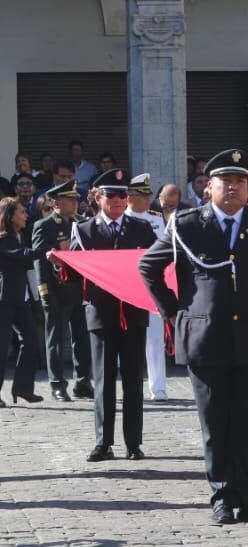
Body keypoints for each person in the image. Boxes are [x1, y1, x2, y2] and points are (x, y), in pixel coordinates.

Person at [139, 148, 248, 525]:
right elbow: (149, 266)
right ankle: (221, 498)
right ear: (208, 186)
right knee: (215, 425)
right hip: (205, 338)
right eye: (225, 181)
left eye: (240, 181)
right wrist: (174, 314)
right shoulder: (186, 225)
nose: (232, 187)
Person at [71, 169, 156, 461]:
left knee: (133, 379)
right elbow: (72, 274)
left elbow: (154, 266)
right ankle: (103, 442)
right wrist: (59, 263)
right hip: (101, 313)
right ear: (97, 198)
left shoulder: (142, 230)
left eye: (123, 195)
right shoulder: (84, 231)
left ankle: (133, 442)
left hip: (132, 311)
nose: (119, 200)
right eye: (112, 195)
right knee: (104, 380)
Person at [31, 179, 92, 401]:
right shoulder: (44, 226)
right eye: (70, 199)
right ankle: (57, 384)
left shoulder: (81, 223)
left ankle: (83, 381)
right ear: (57, 203)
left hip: (79, 290)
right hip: (56, 290)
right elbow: (39, 260)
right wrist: (44, 292)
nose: (75, 203)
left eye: (76, 199)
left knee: (82, 338)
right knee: (55, 339)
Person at [125, 174, 169, 401]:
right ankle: (127, 383)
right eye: (143, 195)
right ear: (130, 197)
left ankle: (158, 386)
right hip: (127, 283)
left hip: (151, 283)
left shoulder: (156, 218)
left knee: (154, 336)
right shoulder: (121, 218)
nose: (148, 199)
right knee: (126, 337)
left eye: (149, 195)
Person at [1, 196, 43, 406]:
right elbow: (25, 256)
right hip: (3, 300)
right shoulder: (3, 239)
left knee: (31, 341)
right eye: (21, 212)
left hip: (20, 300)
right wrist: (48, 248)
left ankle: (23, 388)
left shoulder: (19, 236)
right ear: (10, 216)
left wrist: (36, 301)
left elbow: (28, 270)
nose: (26, 215)